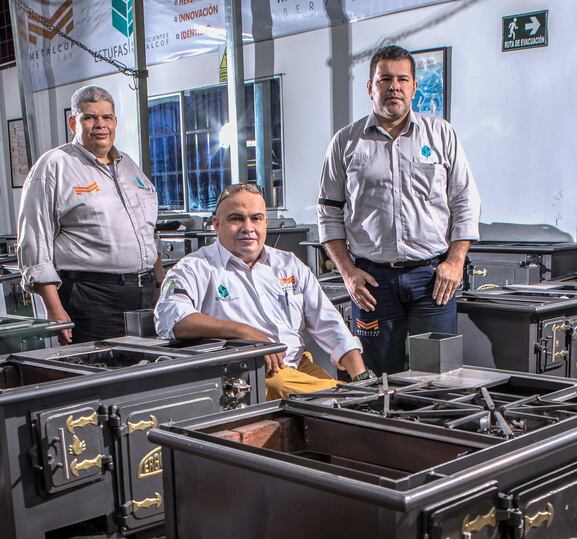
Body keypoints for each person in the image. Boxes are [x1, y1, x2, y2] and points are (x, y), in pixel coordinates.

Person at [317, 44, 481, 375]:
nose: (394, 87)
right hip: (372, 283)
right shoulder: (345, 142)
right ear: (370, 87)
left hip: (432, 280)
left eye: (403, 79)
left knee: (438, 375)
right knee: (377, 376)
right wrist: (348, 273)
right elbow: (328, 212)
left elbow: (465, 200)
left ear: (414, 87)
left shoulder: (441, 135)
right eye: (385, 79)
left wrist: (455, 261)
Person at [155, 183, 372, 400]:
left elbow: (330, 324)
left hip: (296, 365)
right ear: (216, 224)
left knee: (352, 396)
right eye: (236, 219)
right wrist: (244, 332)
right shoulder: (194, 268)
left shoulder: (289, 264)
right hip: (248, 374)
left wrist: (361, 377)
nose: (248, 227)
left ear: (266, 223)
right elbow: (169, 317)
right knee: (340, 399)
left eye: (256, 218)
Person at [17, 85, 162, 344]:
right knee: (102, 367)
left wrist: (161, 283)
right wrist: (54, 309)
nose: (100, 125)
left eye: (106, 117)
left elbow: (148, 231)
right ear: (73, 122)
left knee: (150, 365)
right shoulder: (54, 165)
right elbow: (34, 242)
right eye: (90, 117)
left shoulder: (129, 166)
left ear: (115, 122)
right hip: (91, 298)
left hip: (145, 294)